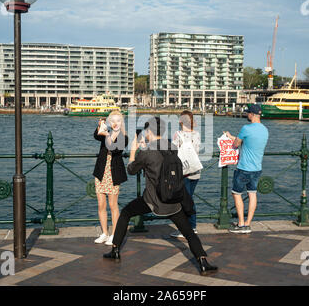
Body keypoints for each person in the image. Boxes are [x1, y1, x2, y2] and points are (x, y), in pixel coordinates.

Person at [103, 117, 218, 276]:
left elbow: (131, 170)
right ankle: (203, 261)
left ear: (149, 131)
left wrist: (134, 152)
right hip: (173, 199)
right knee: (188, 232)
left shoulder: (147, 151)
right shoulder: (172, 147)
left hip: (152, 200)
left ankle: (115, 250)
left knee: (126, 213)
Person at [224, 104, 269, 234]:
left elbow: (236, 144)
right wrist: (231, 135)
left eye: (248, 113)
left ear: (252, 115)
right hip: (257, 168)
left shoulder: (246, 128)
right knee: (252, 194)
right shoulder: (265, 130)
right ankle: (248, 224)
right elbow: (247, 142)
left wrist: (230, 138)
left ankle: (241, 224)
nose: (246, 115)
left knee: (236, 193)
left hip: (244, 168)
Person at [93, 110, 128, 245]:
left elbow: (114, 149)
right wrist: (100, 126)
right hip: (101, 172)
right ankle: (104, 233)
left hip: (113, 174)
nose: (115, 123)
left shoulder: (123, 137)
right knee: (101, 204)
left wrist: (107, 134)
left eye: (118, 120)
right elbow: (96, 136)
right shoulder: (105, 132)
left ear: (121, 122)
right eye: (112, 121)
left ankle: (114, 234)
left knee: (113, 205)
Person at [170, 110, 200, 238]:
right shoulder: (197, 134)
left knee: (185, 201)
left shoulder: (178, 134)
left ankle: (189, 228)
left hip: (184, 172)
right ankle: (191, 227)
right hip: (196, 171)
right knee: (190, 198)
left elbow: (173, 151)